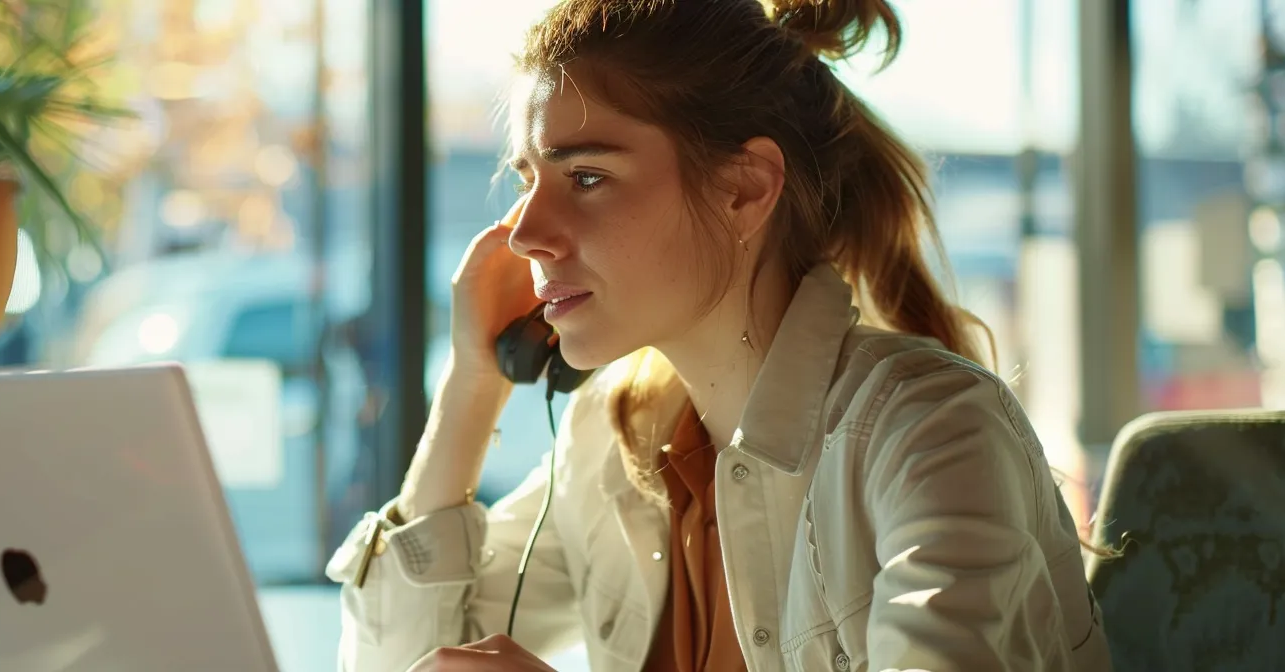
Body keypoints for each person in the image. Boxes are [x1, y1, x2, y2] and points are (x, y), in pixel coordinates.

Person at [323, 1, 1111, 670]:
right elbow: (400, 659)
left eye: (586, 177)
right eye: (528, 179)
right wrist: (472, 383)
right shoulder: (617, 442)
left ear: (744, 189)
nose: (524, 232)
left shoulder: (931, 429)